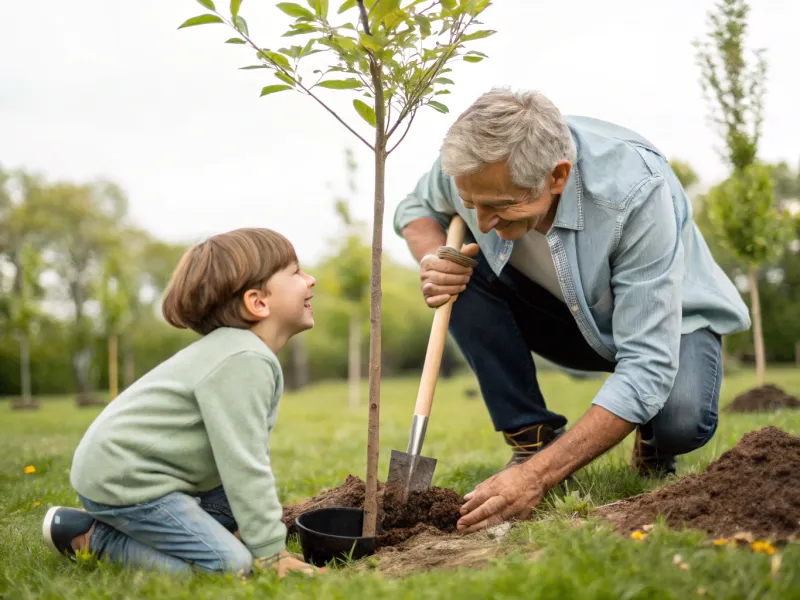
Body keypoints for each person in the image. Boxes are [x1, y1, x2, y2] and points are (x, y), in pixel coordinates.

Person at [393, 88, 751, 533]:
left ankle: (651, 436)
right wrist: (432, 256)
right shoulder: (474, 166)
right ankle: (531, 438)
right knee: (460, 267)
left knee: (682, 423)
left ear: (557, 177)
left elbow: (647, 364)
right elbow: (415, 208)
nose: (482, 223)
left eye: (500, 207)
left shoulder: (635, 190)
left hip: (670, 325)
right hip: (567, 320)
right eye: (471, 205)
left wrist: (537, 479)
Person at [42, 228, 323, 578]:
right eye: (296, 273)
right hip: (127, 481)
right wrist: (271, 554)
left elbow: (241, 467)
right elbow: (244, 464)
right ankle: (90, 536)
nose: (310, 280)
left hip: (152, 471)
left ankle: (180, 529)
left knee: (238, 525)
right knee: (229, 566)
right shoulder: (242, 360)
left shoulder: (243, 352)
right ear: (258, 302)